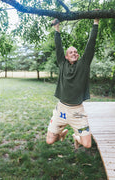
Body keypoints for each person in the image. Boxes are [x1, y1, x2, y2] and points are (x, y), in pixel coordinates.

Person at [46, 18, 99, 149]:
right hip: (61, 110)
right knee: (50, 141)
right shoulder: (62, 64)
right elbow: (59, 47)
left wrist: (96, 23)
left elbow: (91, 44)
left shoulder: (84, 64)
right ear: (66, 56)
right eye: (71, 52)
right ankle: (62, 134)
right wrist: (57, 29)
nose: (74, 53)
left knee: (87, 144)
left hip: (78, 112)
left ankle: (75, 137)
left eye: (75, 52)